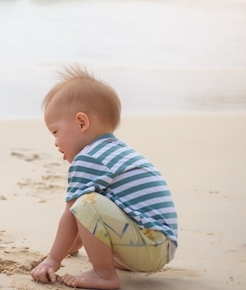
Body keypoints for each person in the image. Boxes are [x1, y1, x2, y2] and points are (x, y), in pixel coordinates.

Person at [30, 66, 177, 290]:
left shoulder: (89, 158)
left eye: (56, 132)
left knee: (85, 203)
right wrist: (73, 244)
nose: (55, 142)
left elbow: (73, 212)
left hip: (149, 244)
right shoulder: (112, 151)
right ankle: (110, 264)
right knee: (91, 202)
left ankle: (104, 275)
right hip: (157, 246)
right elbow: (109, 212)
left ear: (82, 122)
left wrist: (53, 259)